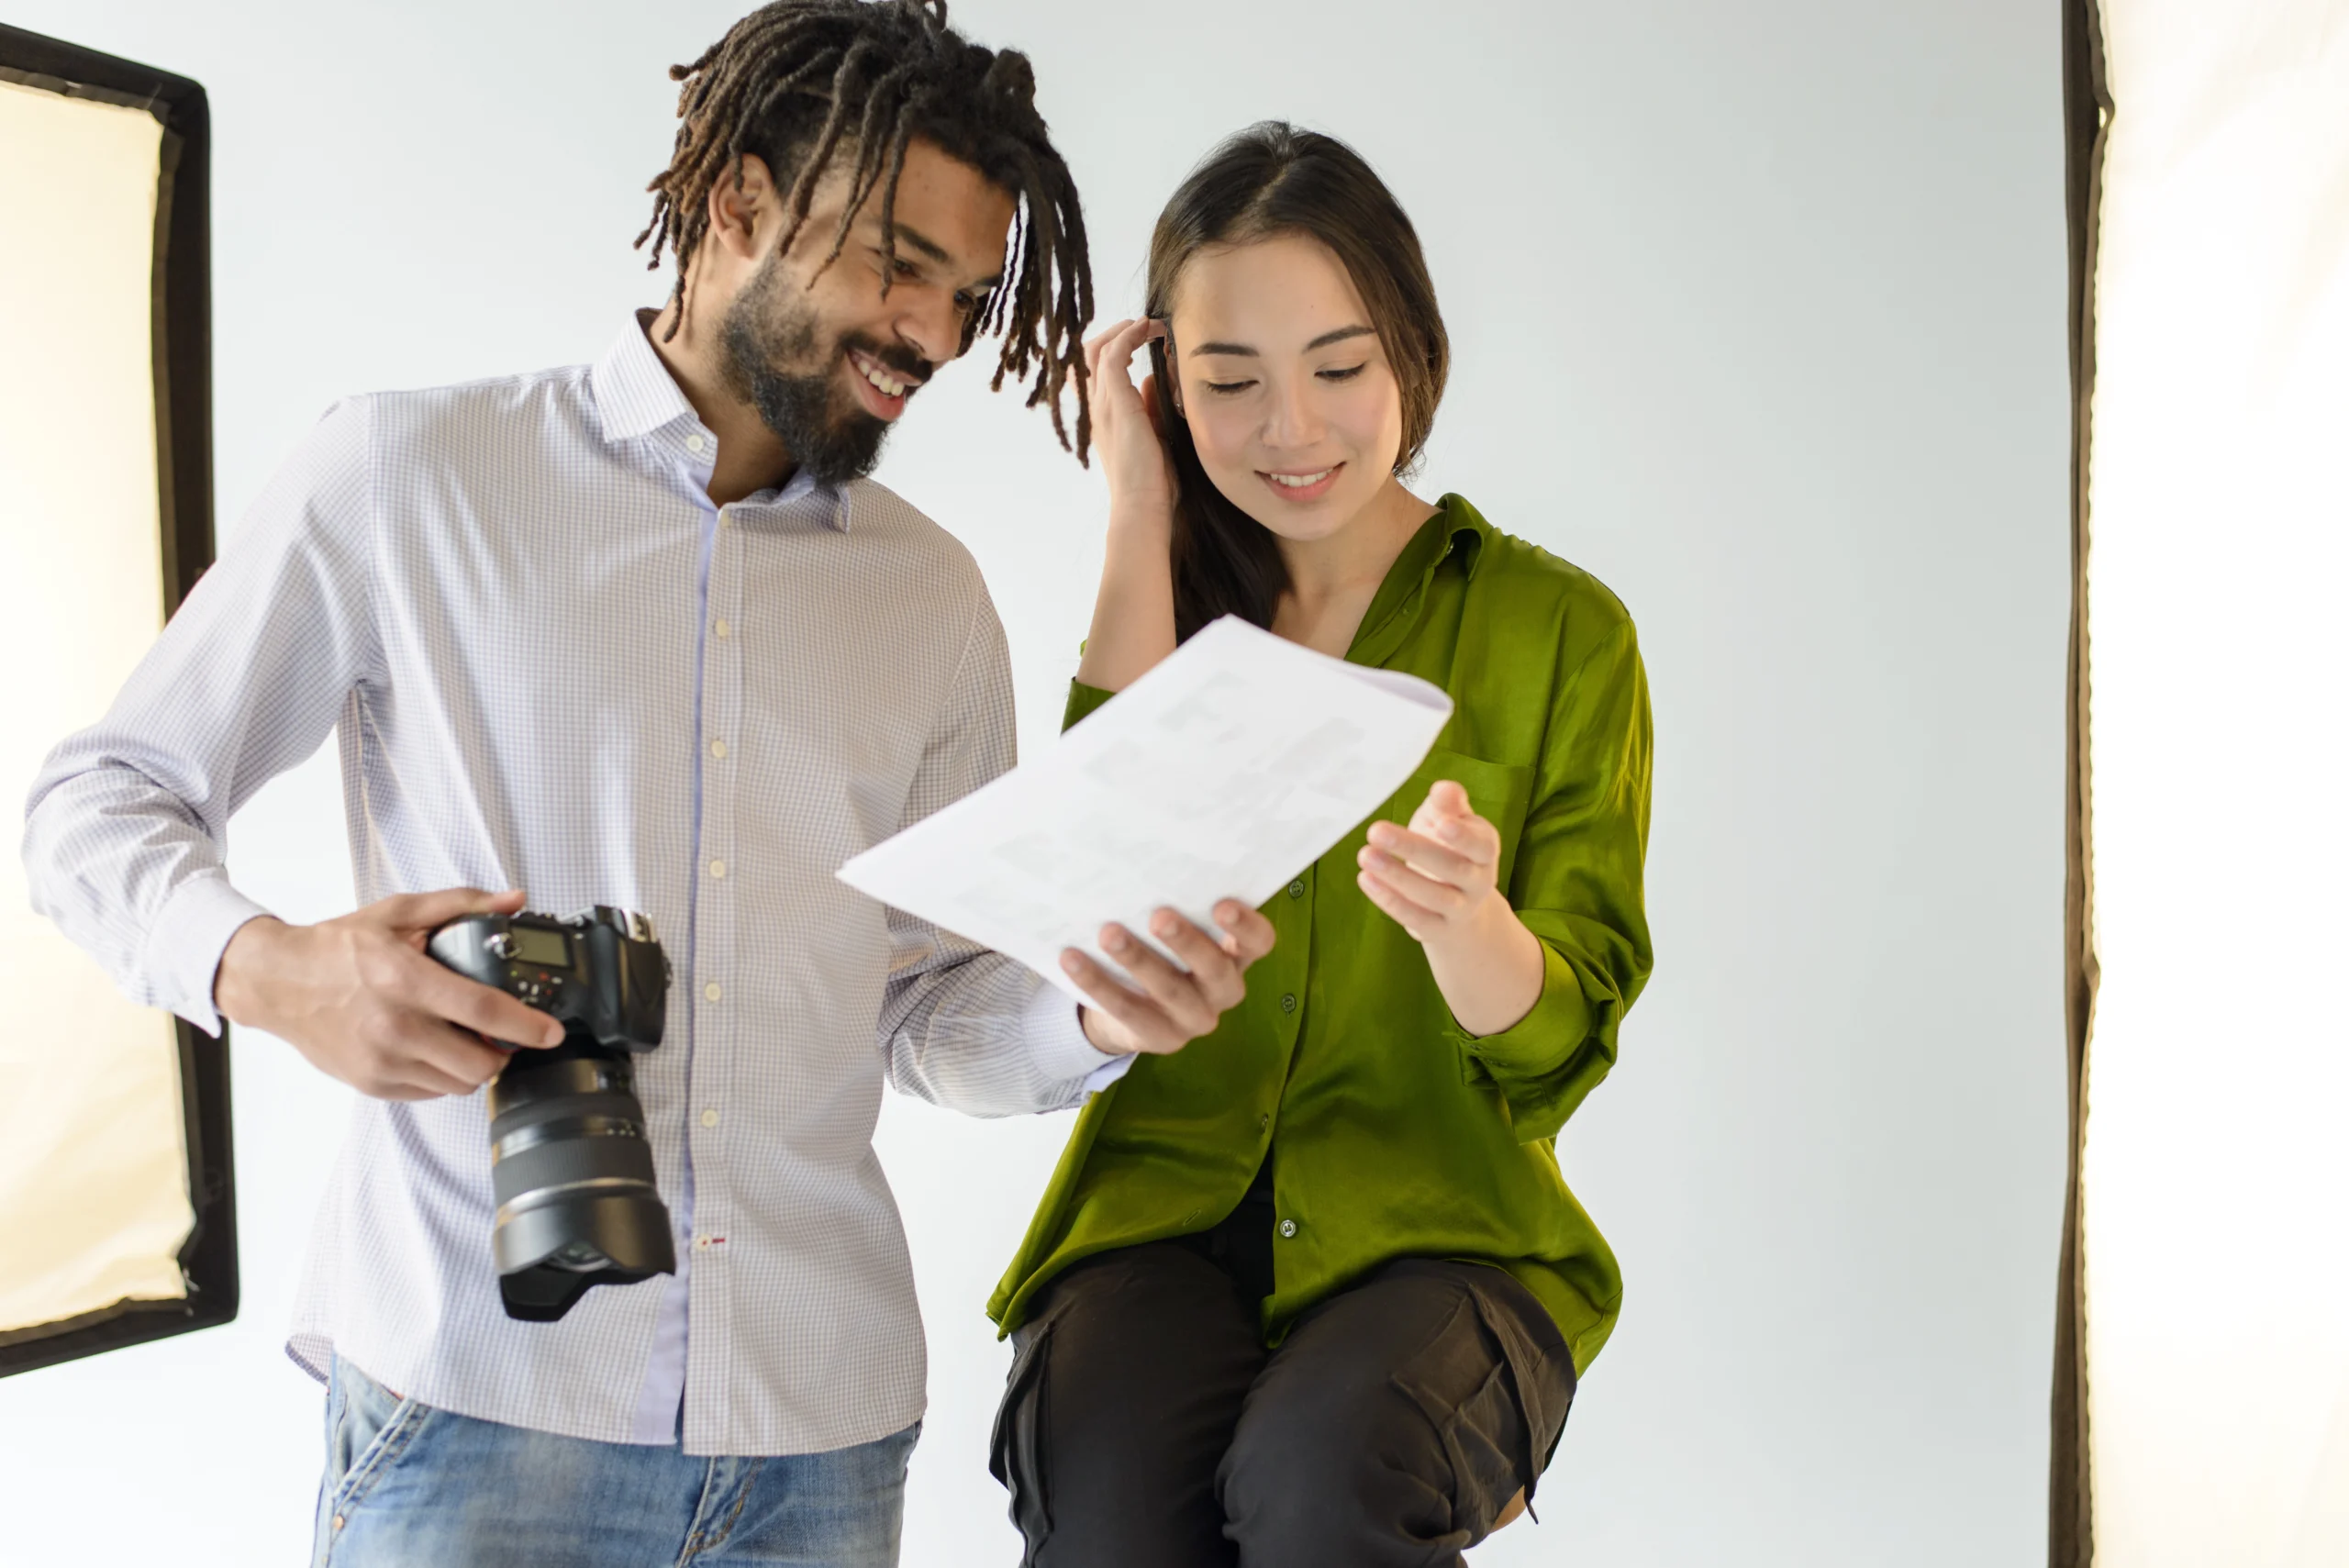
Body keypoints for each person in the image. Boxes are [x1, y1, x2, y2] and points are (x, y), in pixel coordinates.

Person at [19, 5, 1274, 1564]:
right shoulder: (411, 477)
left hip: (824, 1437)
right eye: (897, 263)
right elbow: (97, 800)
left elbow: (928, 1011)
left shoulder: (932, 598)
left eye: (963, 294)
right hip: (481, 1408)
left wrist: (1093, 1014)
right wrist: (270, 969)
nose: (936, 337)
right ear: (737, 201)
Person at [985, 122, 1655, 1567]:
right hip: (1162, 1213)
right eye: (1231, 383)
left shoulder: (1559, 632)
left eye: (1340, 370)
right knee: (1108, 1513)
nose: (1292, 430)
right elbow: (1093, 894)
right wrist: (1139, 505)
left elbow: (1563, 1045)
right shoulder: (1176, 609)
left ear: (1412, 351)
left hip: (1446, 1232)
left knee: (1319, 1480)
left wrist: (1476, 931)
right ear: (1171, 387)